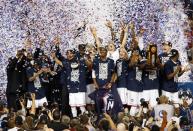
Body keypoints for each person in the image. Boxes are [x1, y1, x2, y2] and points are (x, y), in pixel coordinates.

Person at [52, 49, 88, 117]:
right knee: (71, 105)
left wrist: (87, 58)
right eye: (67, 53)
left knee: (81, 106)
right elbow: (60, 63)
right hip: (70, 87)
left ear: (75, 55)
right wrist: (54, 57)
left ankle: (84, 119)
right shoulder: (67, 64)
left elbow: (90, 66)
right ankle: (72, 117)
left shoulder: (82, 63)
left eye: (71, 53)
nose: (69, 55)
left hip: (79, 87)